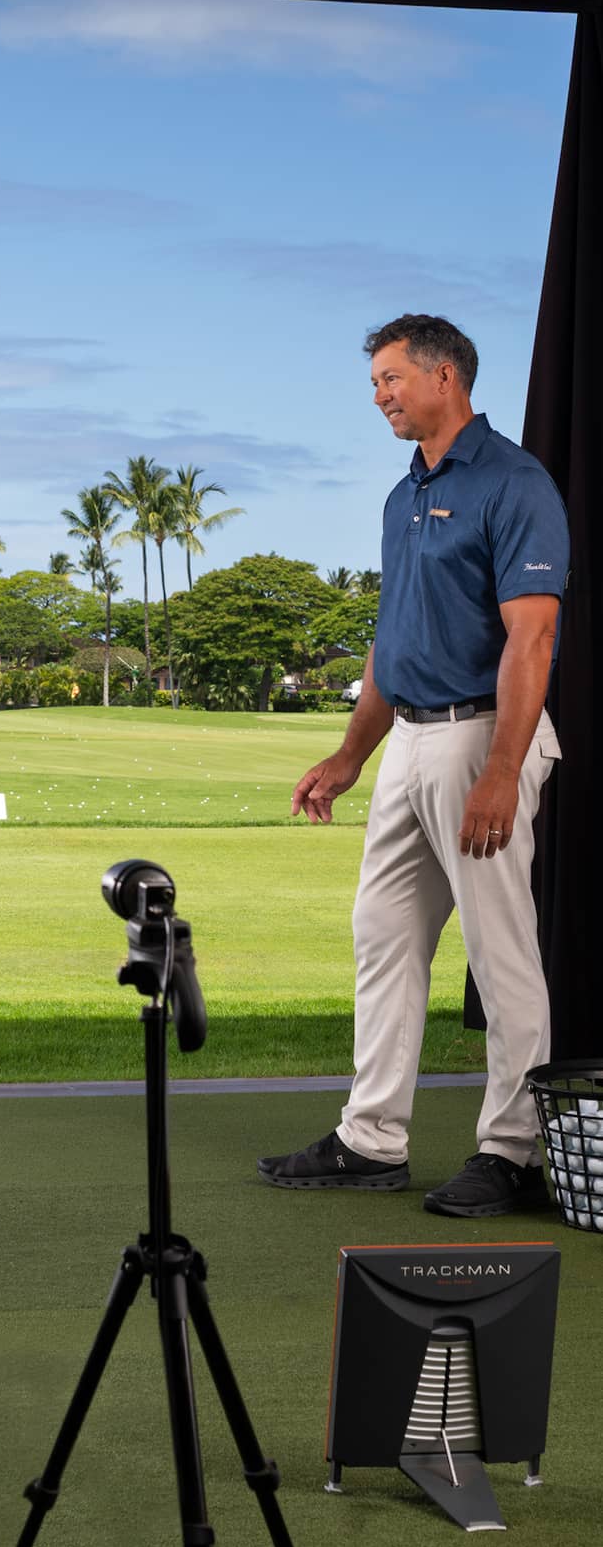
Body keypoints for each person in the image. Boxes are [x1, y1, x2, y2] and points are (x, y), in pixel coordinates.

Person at [260, 314, 567, 1216]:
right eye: (374, 385)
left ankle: (510, 1151)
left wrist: (504, 768)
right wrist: (352, 753)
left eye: (390, 379)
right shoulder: (404, 496)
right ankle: (371, 1138)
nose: (380, 396)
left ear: (444, 376)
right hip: (407, 743)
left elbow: (533, 635)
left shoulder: (515, 483)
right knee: (383, 934)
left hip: (483, 737)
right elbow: (393, 643)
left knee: (499, 952)